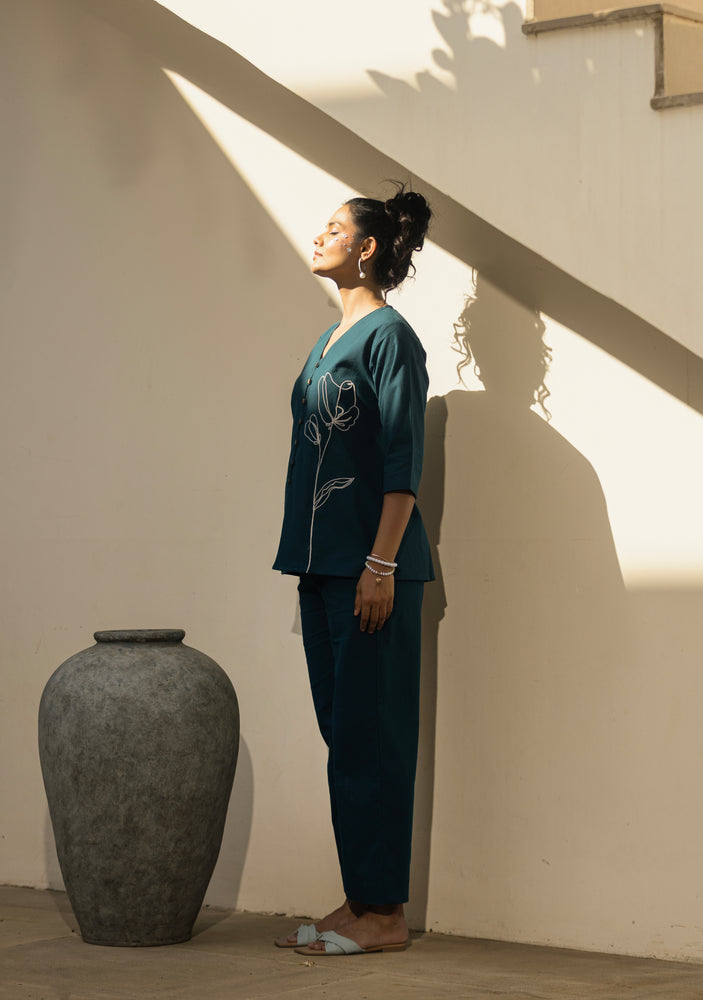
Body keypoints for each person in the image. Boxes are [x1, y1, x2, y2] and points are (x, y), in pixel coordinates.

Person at [272, 185, 434, 956]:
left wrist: (380, 563)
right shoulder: (325, 339)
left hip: (372, 571)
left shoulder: (389, 338)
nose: (320, 236)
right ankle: (361, 898)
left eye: (334, 228)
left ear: (367, 247)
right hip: (322, 567)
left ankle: (387, 917)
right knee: (346, 738)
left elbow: (403, 462)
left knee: (374, 738)